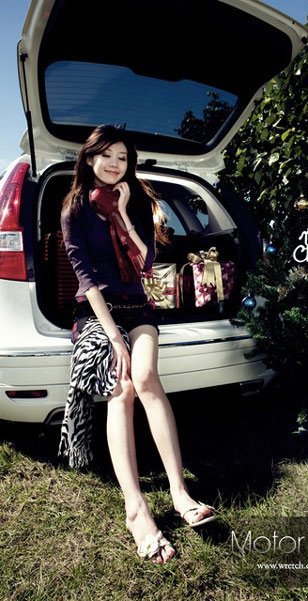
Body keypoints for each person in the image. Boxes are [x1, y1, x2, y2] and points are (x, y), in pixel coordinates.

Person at [59, 124, 215, 563]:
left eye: (123, 158)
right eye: (106, 155)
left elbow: (146, 262)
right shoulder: (73, 209)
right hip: (96, 313)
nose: (114, 164)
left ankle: (180, 493)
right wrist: (112, 336)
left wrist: (124, 213)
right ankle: (136, 509)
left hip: (137, 307)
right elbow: (85, 277)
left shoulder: (138, 200)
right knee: (122, 386)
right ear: (89, 157)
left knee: (146, 377)